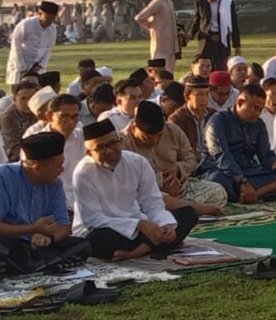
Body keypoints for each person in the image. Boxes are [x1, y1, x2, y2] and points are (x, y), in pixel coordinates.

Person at [73, 119, 198, 261]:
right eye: (101, 147)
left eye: (113, 143)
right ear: (88, 153)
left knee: (187, 214)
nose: (110, 151)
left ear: (120, 141)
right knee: (99, 239)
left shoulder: (137, 162)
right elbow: (93, 220)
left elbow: (152, 203)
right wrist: (139, 225)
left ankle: (139, 250)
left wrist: (165, 225)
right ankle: (156, 246)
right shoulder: (83, 173)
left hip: (140, 226)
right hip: (109, 230)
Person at [0, 132, 91, 279]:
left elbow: (64, 227)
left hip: (34, 246)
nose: (62, 170)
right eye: (58, 165)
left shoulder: (55, 183)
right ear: (37, 167)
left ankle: (32, 265)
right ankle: (40, 265)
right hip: (6, 242)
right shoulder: (0, 176)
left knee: (83, 244)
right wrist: (32, 229)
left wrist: (49, 237)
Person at [120, 101, 227, 214]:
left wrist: (177, 168)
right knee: (142, 202)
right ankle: (189, 209)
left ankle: (182, 209)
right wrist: (161, 181)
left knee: (218, 192)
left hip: (181, 188)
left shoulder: (173, 130)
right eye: (148, 138)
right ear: (133, 128)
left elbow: (191, 159)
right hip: (149, 193)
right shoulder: (122, 143)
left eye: (160, 135)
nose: (156, 141)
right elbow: (127, 181)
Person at [198, 84, 276, 203]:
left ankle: (254, 194)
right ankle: (257, 192)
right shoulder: (218, 121)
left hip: (247, 170)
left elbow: (265, 155)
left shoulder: (258, 124)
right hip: (220, 170)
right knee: (218, 181)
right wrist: (242, 181)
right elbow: (221, 156)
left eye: (260, 109)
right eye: (253, 107)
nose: (257, 113)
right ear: (240, 102)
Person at [189, 0, 240, 71]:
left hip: (222, 39)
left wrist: (237, 45)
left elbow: (234, 24)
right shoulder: (200, 3)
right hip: (206, 40)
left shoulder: (227, 3)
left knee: (221, 67)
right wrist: (190, 34)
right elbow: (197, 21)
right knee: (204, 67)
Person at [134, 0, 180, 73]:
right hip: (160, 48)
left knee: (169, 76)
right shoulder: (157, 2)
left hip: (171, 48)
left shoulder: (169, 2)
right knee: (159, 75)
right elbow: (139, 17)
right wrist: (151, 26)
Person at [5, 1, 59, 85]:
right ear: (40, 14)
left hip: (38, 67)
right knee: (20, 92)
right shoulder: (26, 24)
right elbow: (16, 45)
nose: (49, 21)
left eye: (52, 19)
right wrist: (21, 67)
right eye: (47, 18)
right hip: (21, 63)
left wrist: (41, 65)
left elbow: (48, 48)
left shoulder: (52, 29)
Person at [168, 76, 214, 156]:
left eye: (207, 94)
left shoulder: (214, 116)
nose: (205, 99)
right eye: (200, 95)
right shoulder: (177, 119)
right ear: (187, 96)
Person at [0, 82, 37, 160]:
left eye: (32, 98)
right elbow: (14, 147)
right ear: (15, 100)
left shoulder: (39, 113)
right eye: (23, 99)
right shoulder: (8, 119)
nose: (28, 102)